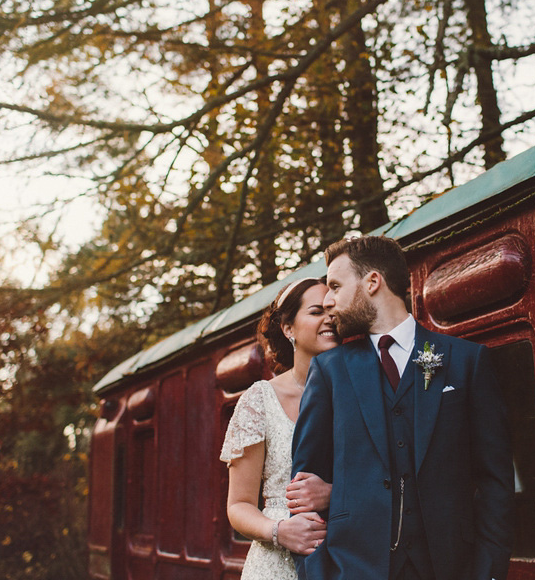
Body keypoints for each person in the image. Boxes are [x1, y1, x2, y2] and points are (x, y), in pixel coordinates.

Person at [291, 236, 515, 580]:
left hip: (451, 569)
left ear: (372, 282)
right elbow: (304, 491)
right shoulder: (329, 372)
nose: (329, 301)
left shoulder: (466, 361)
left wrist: (487, 571)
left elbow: (495, 482)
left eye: (335, 286)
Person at [220, 277, 338, 579]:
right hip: (275, 565)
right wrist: (279, 531)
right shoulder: (260, 400)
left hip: (343, 557)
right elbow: (239, 505)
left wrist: (336, 494)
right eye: (315, 312)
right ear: (288, 329)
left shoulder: (356, 392)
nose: (329, 320)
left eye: (332, 311)